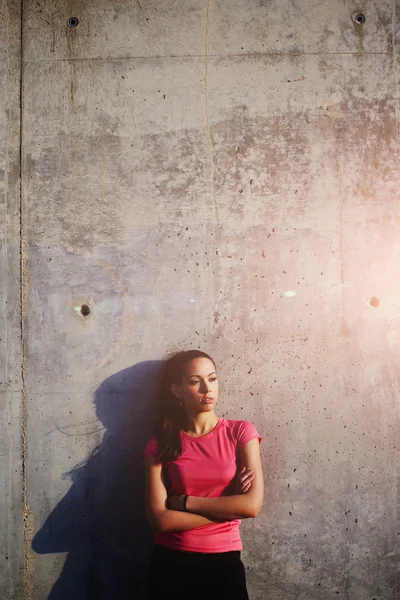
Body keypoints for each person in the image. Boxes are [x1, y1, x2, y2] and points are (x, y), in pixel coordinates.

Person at [143, 350, 264, 600]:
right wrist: (229, 506)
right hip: (171, 566)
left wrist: (186, 503)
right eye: (195, 381)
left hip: (224, 566)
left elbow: (251, 506)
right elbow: (161, 521)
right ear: (176, 390)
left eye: (212, 378)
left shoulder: (240, 433)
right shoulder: (161, 443)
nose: (207, 388)